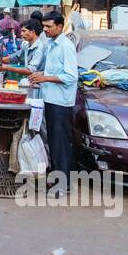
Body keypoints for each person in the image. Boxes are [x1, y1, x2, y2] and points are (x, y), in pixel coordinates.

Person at [28, 12, 79, 196]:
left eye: (49, 26)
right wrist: (40, 76)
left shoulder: (66, 46)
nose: (46, 30)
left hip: (60, 101)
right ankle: (57, 178)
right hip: (49, 98)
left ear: (59, 26)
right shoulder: (51, 44)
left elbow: (71, 76)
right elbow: (51, 71)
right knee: (54, 142)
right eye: (45, 26)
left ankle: (63, 185)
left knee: (60, 143)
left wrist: (45, 77)